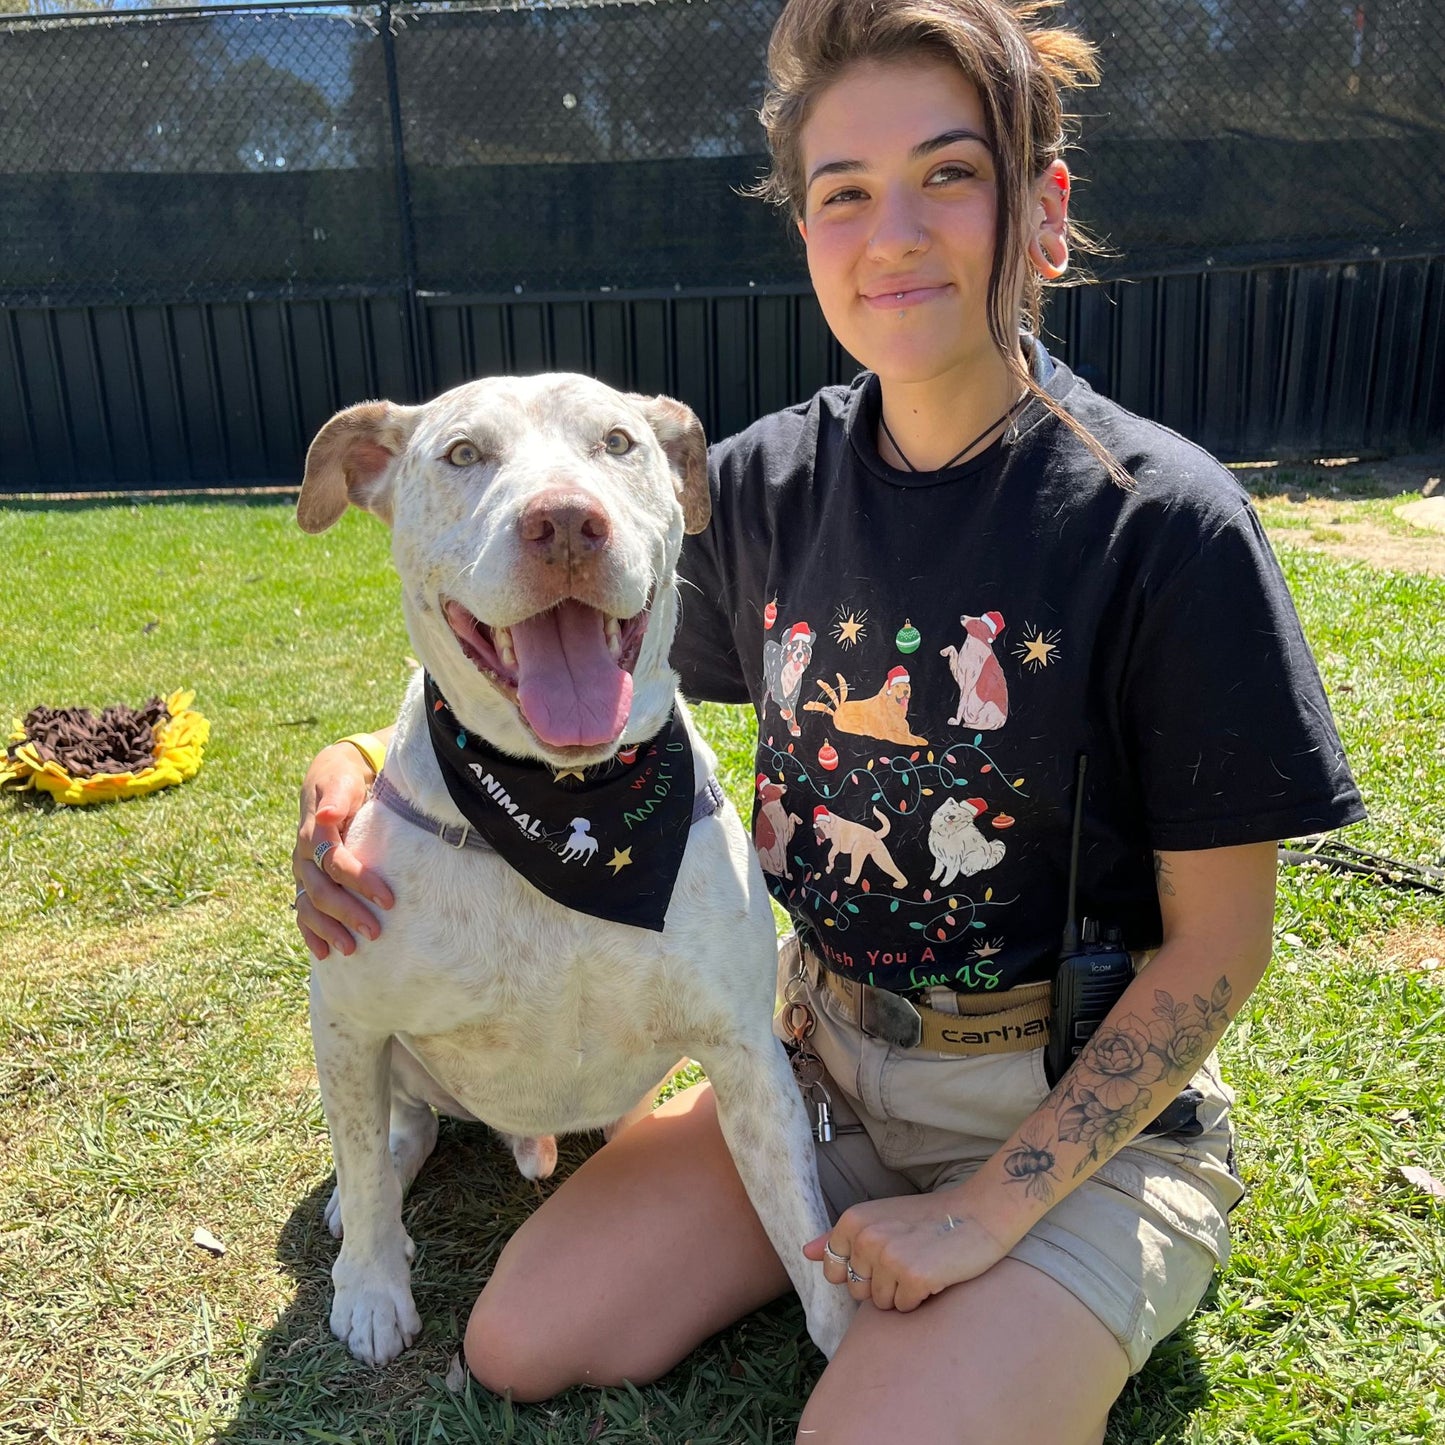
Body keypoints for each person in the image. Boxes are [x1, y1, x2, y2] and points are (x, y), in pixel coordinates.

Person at [292, 1, 1364, 1439]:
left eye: (948, 174)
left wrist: (985, 1213)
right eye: (842, 193)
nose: (892, 232)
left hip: (1072, 1125)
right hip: (821, 1072)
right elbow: (549, 648)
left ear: (1043, 212)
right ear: (804, 233)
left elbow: (1219, 949)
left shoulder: (1160, 523)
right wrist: (350, 767)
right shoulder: (763, 487)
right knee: (519, 1340)